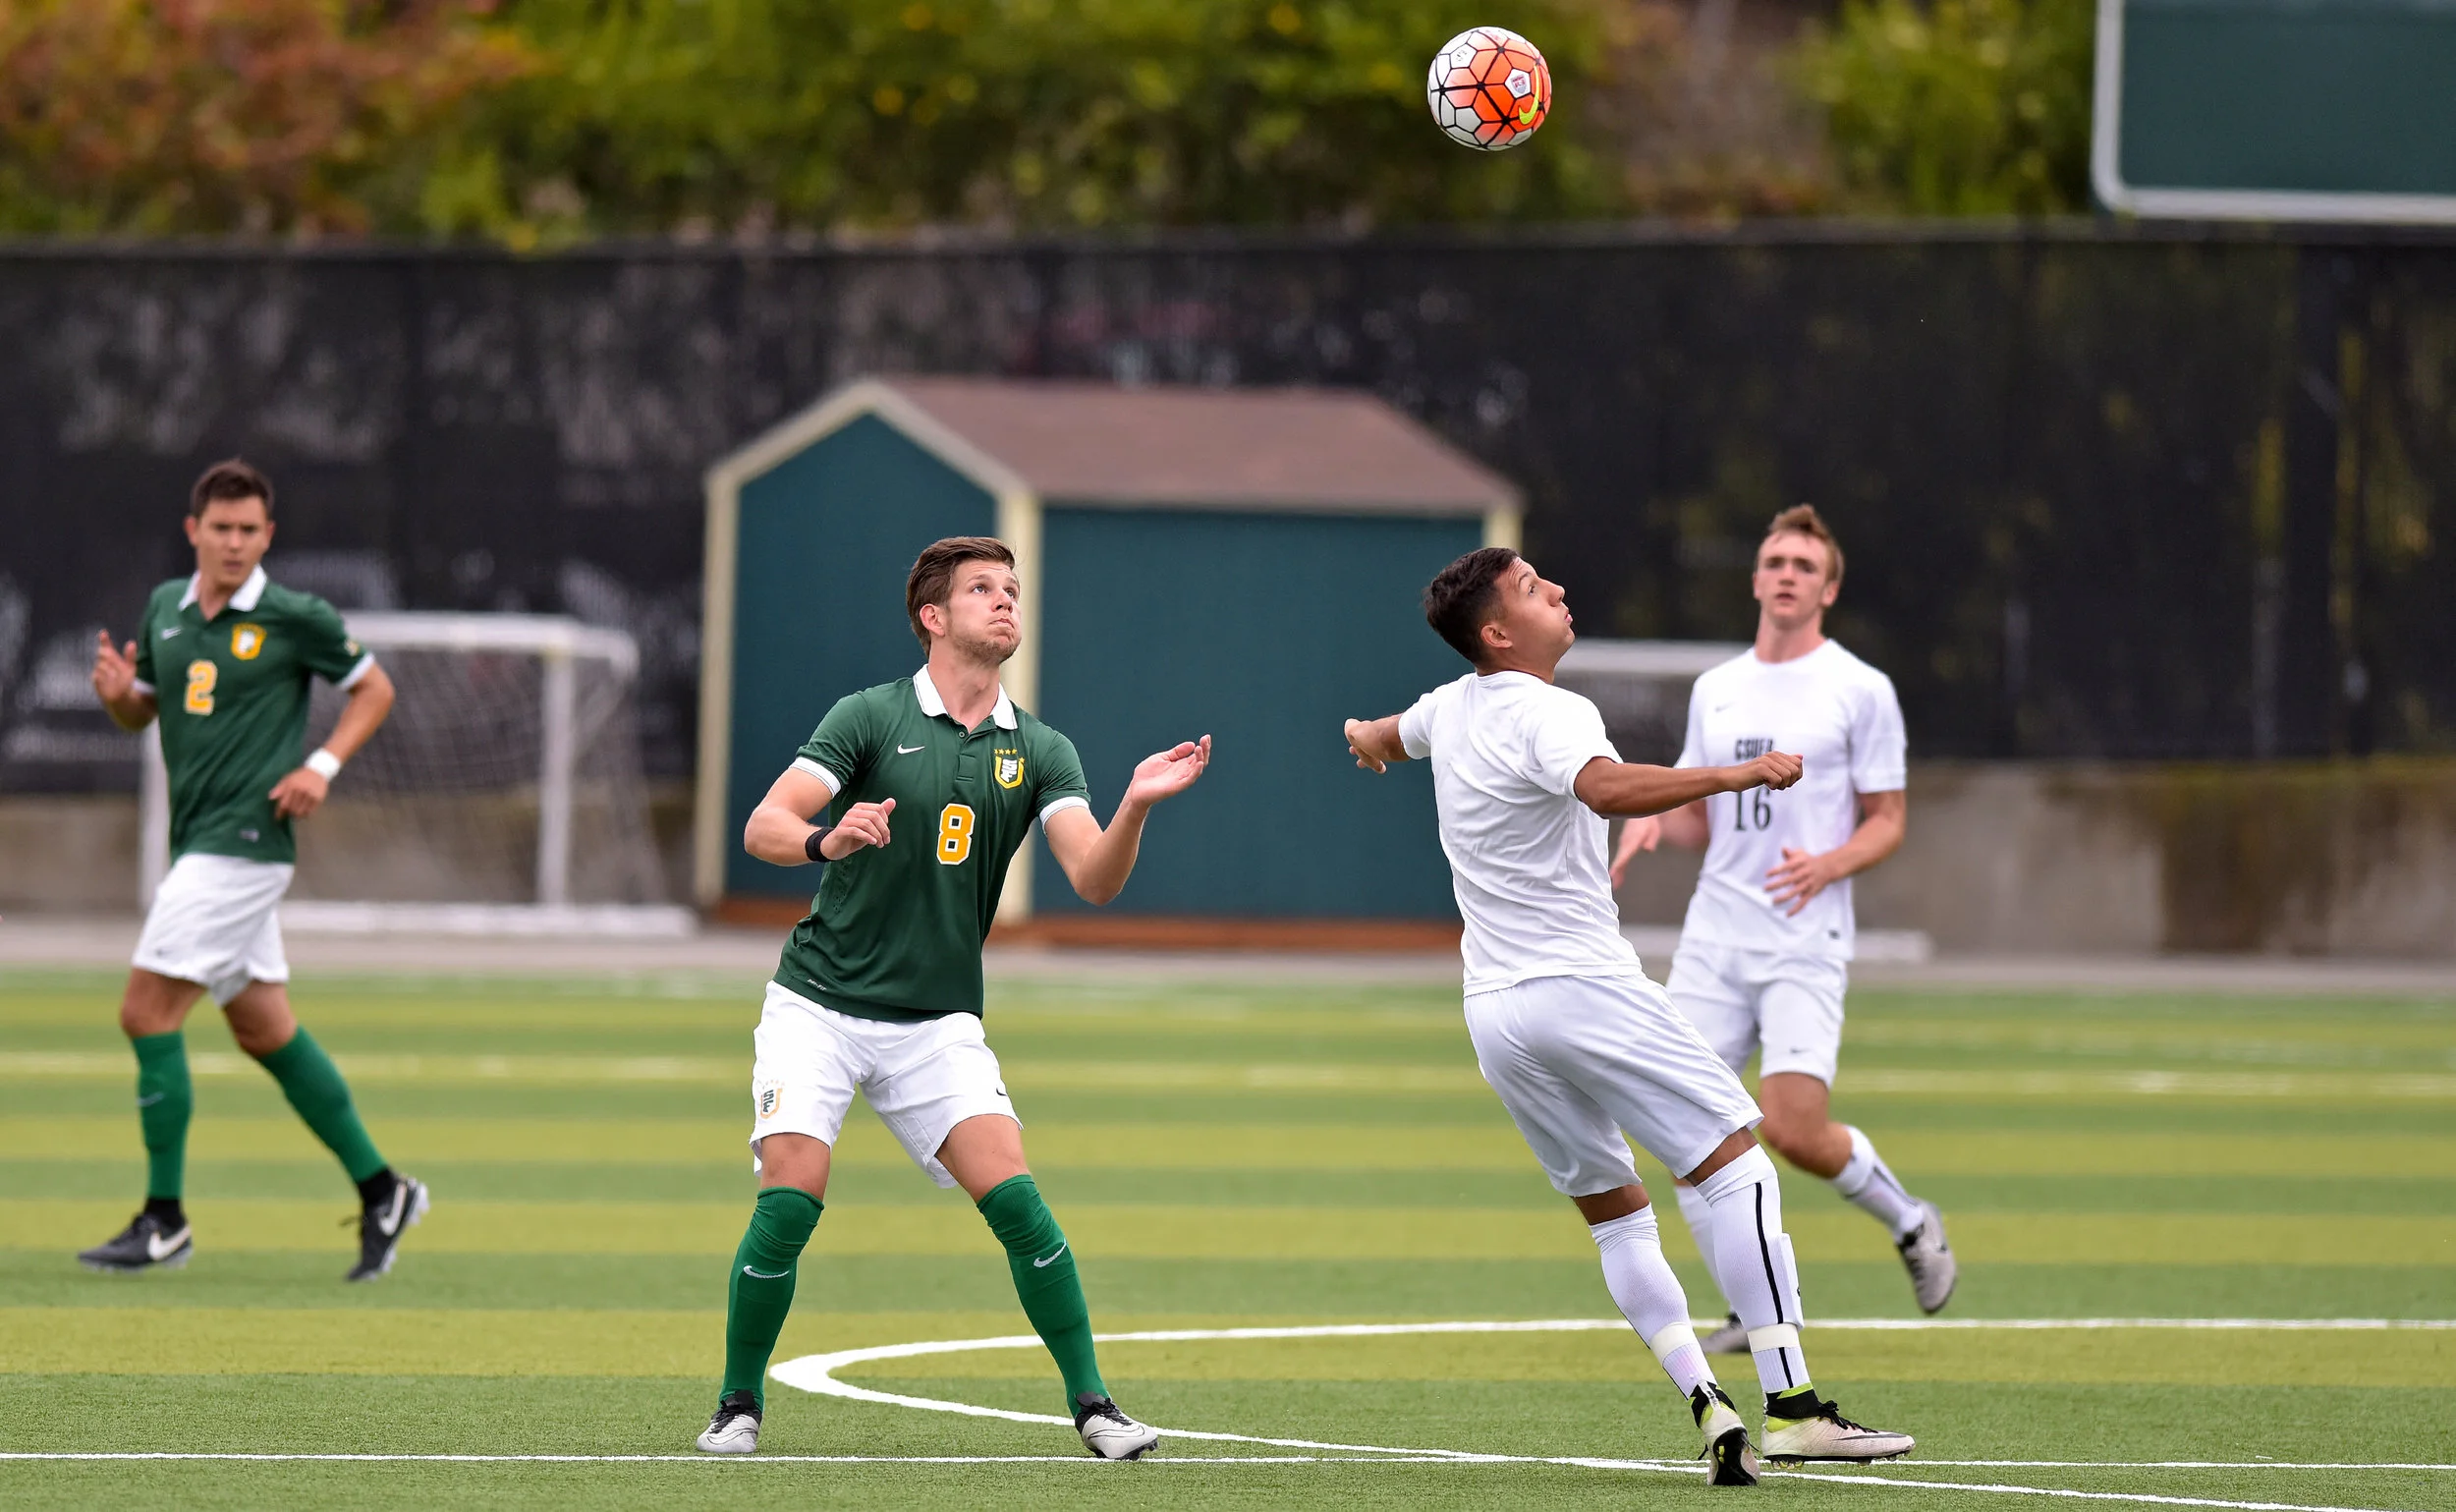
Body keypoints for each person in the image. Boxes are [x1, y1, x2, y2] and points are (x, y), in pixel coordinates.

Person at [1343, 545, 1913, 1481]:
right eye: (1533, 588)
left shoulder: (1449, 707)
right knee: (1737, 1162)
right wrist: (1737, 776)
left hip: (1495, 1012)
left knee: (1617, 1217)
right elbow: (1604, 787)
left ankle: (1704, 1397)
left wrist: (1363, 734)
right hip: (1581, 985)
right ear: (1496, 633)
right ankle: (1796, 1406)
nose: (1559, 588)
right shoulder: (1554, 710)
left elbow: (1383, 732)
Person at [697, 535, 1211, 1460]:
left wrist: (1134, 803)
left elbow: (1093, 879)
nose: (1005, 602)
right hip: (817, 1003)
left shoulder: (1041, 747)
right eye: (982, 589)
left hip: (936, 1021)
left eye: (1012, 589)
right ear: (933, 617)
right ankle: (738, 1403)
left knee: (1020, 1204)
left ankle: (1097, 1409)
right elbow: (765, 824)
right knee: (791, 1199)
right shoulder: (869, 714)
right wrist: (827, 838)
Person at [1611, 506, 1953, 1348]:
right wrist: (1656, 822)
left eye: (1805, 562)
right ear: (1757, 578)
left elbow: (1889, 819)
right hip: (1714, 939)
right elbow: (1701, 813)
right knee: (1682, 1124)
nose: (1788, 571)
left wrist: (1828, 864)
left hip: (1805, 938)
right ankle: (1752, 1303)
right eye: (1775, 559)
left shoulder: (1861, 688)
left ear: (1828, 587)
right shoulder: (1717, 688)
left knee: (1793, 1128)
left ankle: (1911, 1222)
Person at [84, 458, 422, 1283]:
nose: (234, 543)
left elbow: (373, 687)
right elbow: (146, 711)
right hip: (199, 838)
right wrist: (119, 694)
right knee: (263, 1027)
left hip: (243, 843)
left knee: (144, 1011)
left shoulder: (291, 613)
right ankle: (384, 1190)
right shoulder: (167, 606)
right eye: (220, 528)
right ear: (193, 530)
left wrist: (323, 765)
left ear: (267, 536)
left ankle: (164, 1219)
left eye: (249, 530)